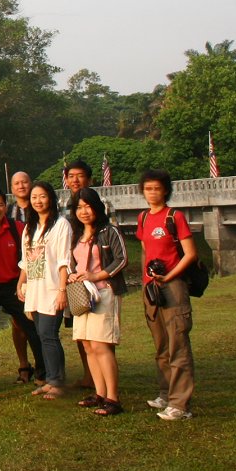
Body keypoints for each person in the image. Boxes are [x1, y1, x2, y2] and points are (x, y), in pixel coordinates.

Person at [137, 169, 197, 421]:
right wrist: (147, 280)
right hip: (151, 287)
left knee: (177, 344)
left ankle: (180, 404)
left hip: (172, 286)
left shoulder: (175, 216)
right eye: (148, 188)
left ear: (165, 191)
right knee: (161, 344)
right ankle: (165, 392)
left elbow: (190, 253)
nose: (152, 193)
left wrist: (169, 275)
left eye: (157, 188)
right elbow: (145, 250)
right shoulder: (143, 218)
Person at [0, 188, 44, 395]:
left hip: (14, 286)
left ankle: (42, 373)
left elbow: (33, 255)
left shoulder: (18, 228)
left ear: (6, 206)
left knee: (32, 329)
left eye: (0, 205)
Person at [67, 188, 128, 415]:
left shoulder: (108, 231)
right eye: (79, 207)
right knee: (88, 345)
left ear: (97, 207)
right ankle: (99, 393)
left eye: (88, 206)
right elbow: (74, 261)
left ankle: (113, 398)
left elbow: (122, 259)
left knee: (102, 345)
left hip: (104, 292)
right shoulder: (77, 233)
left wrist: (97, 275)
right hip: (82, 296)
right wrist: (74, 273)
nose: (84, 211)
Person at [17, 181, 71, 400]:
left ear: (51, 198)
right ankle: (50, 379)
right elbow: (26, 261)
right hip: (35, 288)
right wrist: (21, 284)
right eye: (34, 197)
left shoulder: (61, 225)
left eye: (42, 196)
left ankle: (58, 381)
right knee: (41, 335)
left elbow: (64, 260)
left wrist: (62, 290)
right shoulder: (30, 228)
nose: (38, 201)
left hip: (52, 288)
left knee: (49, 335)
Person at [63, 159, 98, 390]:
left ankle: (100, 380)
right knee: (80, 330)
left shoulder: (97, 203)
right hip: (74, 279)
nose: (75, 180)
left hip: (97, 278)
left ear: (89, 179)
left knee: (99, 336)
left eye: (80, 175)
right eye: (71, 176)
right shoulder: (65, 206)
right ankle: (89, 375)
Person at [7, 170, 40, 384]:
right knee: (18, 322)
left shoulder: (40, 207)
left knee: (40, 320)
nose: (21, 186)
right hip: (15, 271)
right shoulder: (8, 212)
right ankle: (23, 364)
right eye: (17, 183)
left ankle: (43, 365)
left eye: (24, 182)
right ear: (12, 188)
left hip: (39, 271)